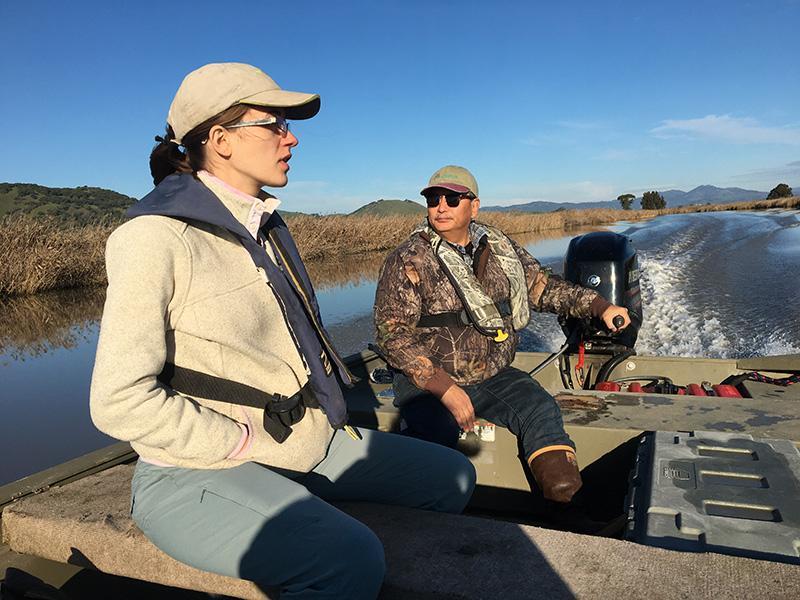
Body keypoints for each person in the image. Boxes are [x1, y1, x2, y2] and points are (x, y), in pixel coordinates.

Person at [90, 64, 475, 599]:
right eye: (273, 123)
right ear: (220, 140)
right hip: (194, 471)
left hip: (299, 444)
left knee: (452, 478)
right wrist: (238, 439)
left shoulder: (264, 227)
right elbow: (118, 401)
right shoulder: (153, 238)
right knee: (349, 558)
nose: (290, 137)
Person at [373, 165, 630, 508]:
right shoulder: (407, 259)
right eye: (434, 199)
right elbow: (393, 334)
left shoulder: (500, 250)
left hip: (490, 373)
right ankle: (424, 528)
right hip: (428, 381)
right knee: (435, 433)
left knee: (539, 409)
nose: (441, 207)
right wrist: (444, 387)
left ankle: (566, 507)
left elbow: (541, 288)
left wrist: (599, 306)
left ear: (474, 206)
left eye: (452, 198)